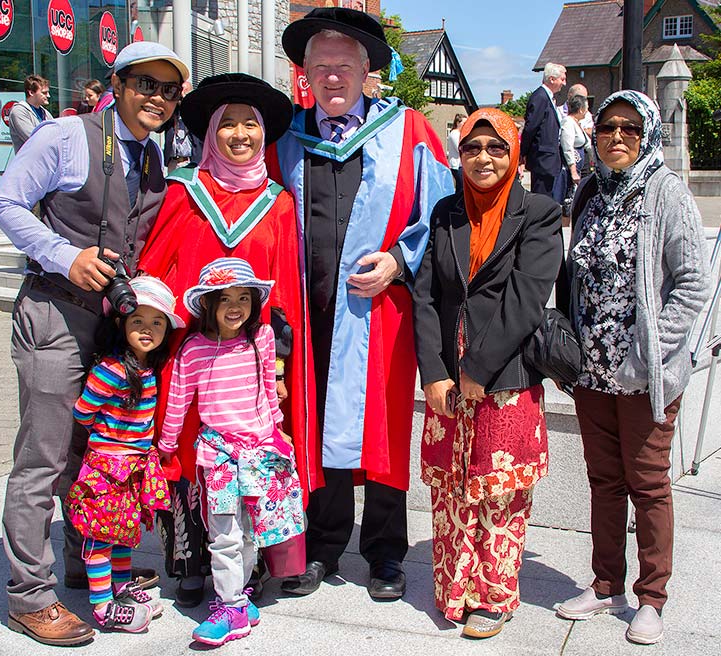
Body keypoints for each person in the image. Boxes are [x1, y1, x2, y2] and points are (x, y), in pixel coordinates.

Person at [0, 41, 187, 646]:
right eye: (145, 84)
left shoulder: (152, 156)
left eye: (168, 90)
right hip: (53, 311)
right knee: (42, 460)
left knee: (89, 455)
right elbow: (4, 202)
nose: (157, 98)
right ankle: (28, 593)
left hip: (106, 329)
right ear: (118, 84)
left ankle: (83, 561)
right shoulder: (66, 136)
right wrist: (63, 254)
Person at [270, 7, 454, 600]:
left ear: (366, 70)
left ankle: (384, 555)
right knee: (311, 423)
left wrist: (400, 262)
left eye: (343, 66)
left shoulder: (410, 132)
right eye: (320, 66)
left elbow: (440, 215)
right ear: (306, 73)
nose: (331, 77)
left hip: (383, 313)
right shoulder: (285, 139)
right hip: (306, 312)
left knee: (383, 428)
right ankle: (322, 547)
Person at [138, 73, 308, 608]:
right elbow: (154, 267)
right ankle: (190, 558)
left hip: (247, 358)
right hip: (190, 353)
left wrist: (277, 366)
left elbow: (282, 293)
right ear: (211, 133)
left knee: (249, 457)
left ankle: (251, 564)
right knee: (188, 452)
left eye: (251, 124)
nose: (241, 134)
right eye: (228, 124)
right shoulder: (184, 191)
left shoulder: (279, 203)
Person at [556, 90, 710, 645]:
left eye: (629, 128)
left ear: (647, 134)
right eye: (606, 128)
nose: (617, 137)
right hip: (592, 371)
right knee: (604, 481)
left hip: (645, 375)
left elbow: (693, 283)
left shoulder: (666, 193)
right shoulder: (590, 191)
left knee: (648, 483)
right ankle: (605, 585)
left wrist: (653, 350)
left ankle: (652, 596)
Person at [413, 108, 562, 639]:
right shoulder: (446, 212)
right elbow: (426, 295)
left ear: (513, 154)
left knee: (498, 491)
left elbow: (527, 296)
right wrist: (433, 370)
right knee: (451, 489)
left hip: (505, 377)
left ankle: (495, 595)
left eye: (495, 148)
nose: (483, 158)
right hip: (447, 380)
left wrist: (478, 367)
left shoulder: (539, 214)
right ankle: (455, 588)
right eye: (473, 148)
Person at [159, 257, 304, 646]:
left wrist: (278, 430)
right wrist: (167, 445)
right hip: (219, 456)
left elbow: (268, 392)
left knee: (251, 534)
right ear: (208, 304)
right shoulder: (193, 349)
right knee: (224, 533)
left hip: (259, 453)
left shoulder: (261, 338)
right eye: (225, 299)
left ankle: (238, 599)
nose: (236, 307)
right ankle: (230, 607)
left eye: (244, 297)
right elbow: (177, 400)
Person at [65, 277, 184, 632]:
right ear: (121, 324)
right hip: (106, 469)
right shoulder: (112, 370)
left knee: (123, 533)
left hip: (133, 468)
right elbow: (83, 411)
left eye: (157, 322)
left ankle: (121, 588)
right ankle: (103, 606)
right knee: (101, 537)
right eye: (138, 321)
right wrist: (109, 442)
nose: (147, 329)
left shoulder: (148, 370)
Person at [521, 62, 567, 200]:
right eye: (562, 79)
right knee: (541, 199)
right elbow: (531, 127)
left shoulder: (548, 98)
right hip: (543, 160)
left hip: (549, 160)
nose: (564, 83)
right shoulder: (540, 97)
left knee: (548, 199)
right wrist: (523, 153)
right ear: (552, 79)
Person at [560, 94, 592, 220]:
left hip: (583, 165)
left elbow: (587, 144)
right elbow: (567, 147)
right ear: (581, 109)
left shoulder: (577, 123)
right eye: (587, 108)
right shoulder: (568, 122)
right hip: (573, 166)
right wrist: (573, 171)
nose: (587, 111)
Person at [163, 81, 202, 172]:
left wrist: (188, 102)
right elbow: (158, 128)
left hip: (191, 162)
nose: (181, 97)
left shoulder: (196, 113)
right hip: (173, 162)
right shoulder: (172, 113)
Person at [9, 75, 53, 152]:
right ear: (31, 92)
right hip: (29, 163)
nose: (48, 96)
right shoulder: (19, 111)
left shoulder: (45, 113)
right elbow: (33, 139)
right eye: (44, 93)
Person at [447, 113, 466, 190]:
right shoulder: (455, 134)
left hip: (460, 165)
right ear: (458, 123)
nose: (465, 125)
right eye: (464, 123)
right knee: (462, 187)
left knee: (459, 187)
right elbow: (459, 148)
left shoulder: (459, 134)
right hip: (457, 165)